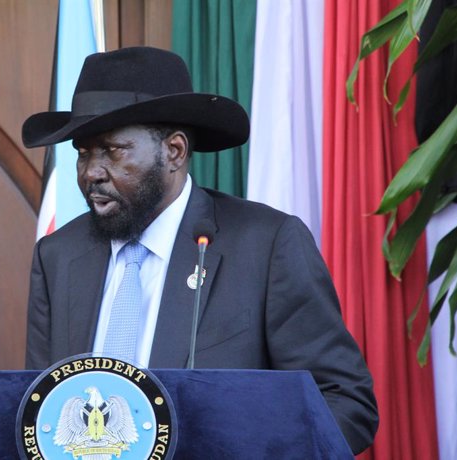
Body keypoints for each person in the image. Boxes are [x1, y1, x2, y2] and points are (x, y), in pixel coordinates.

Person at [21, 46, 378, 454]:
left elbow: (344, 402)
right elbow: (38, 403)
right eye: (83, 154)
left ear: (174, 151)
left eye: (112, 151)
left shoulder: (267, 244)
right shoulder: (58, 255)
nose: (91, 173)